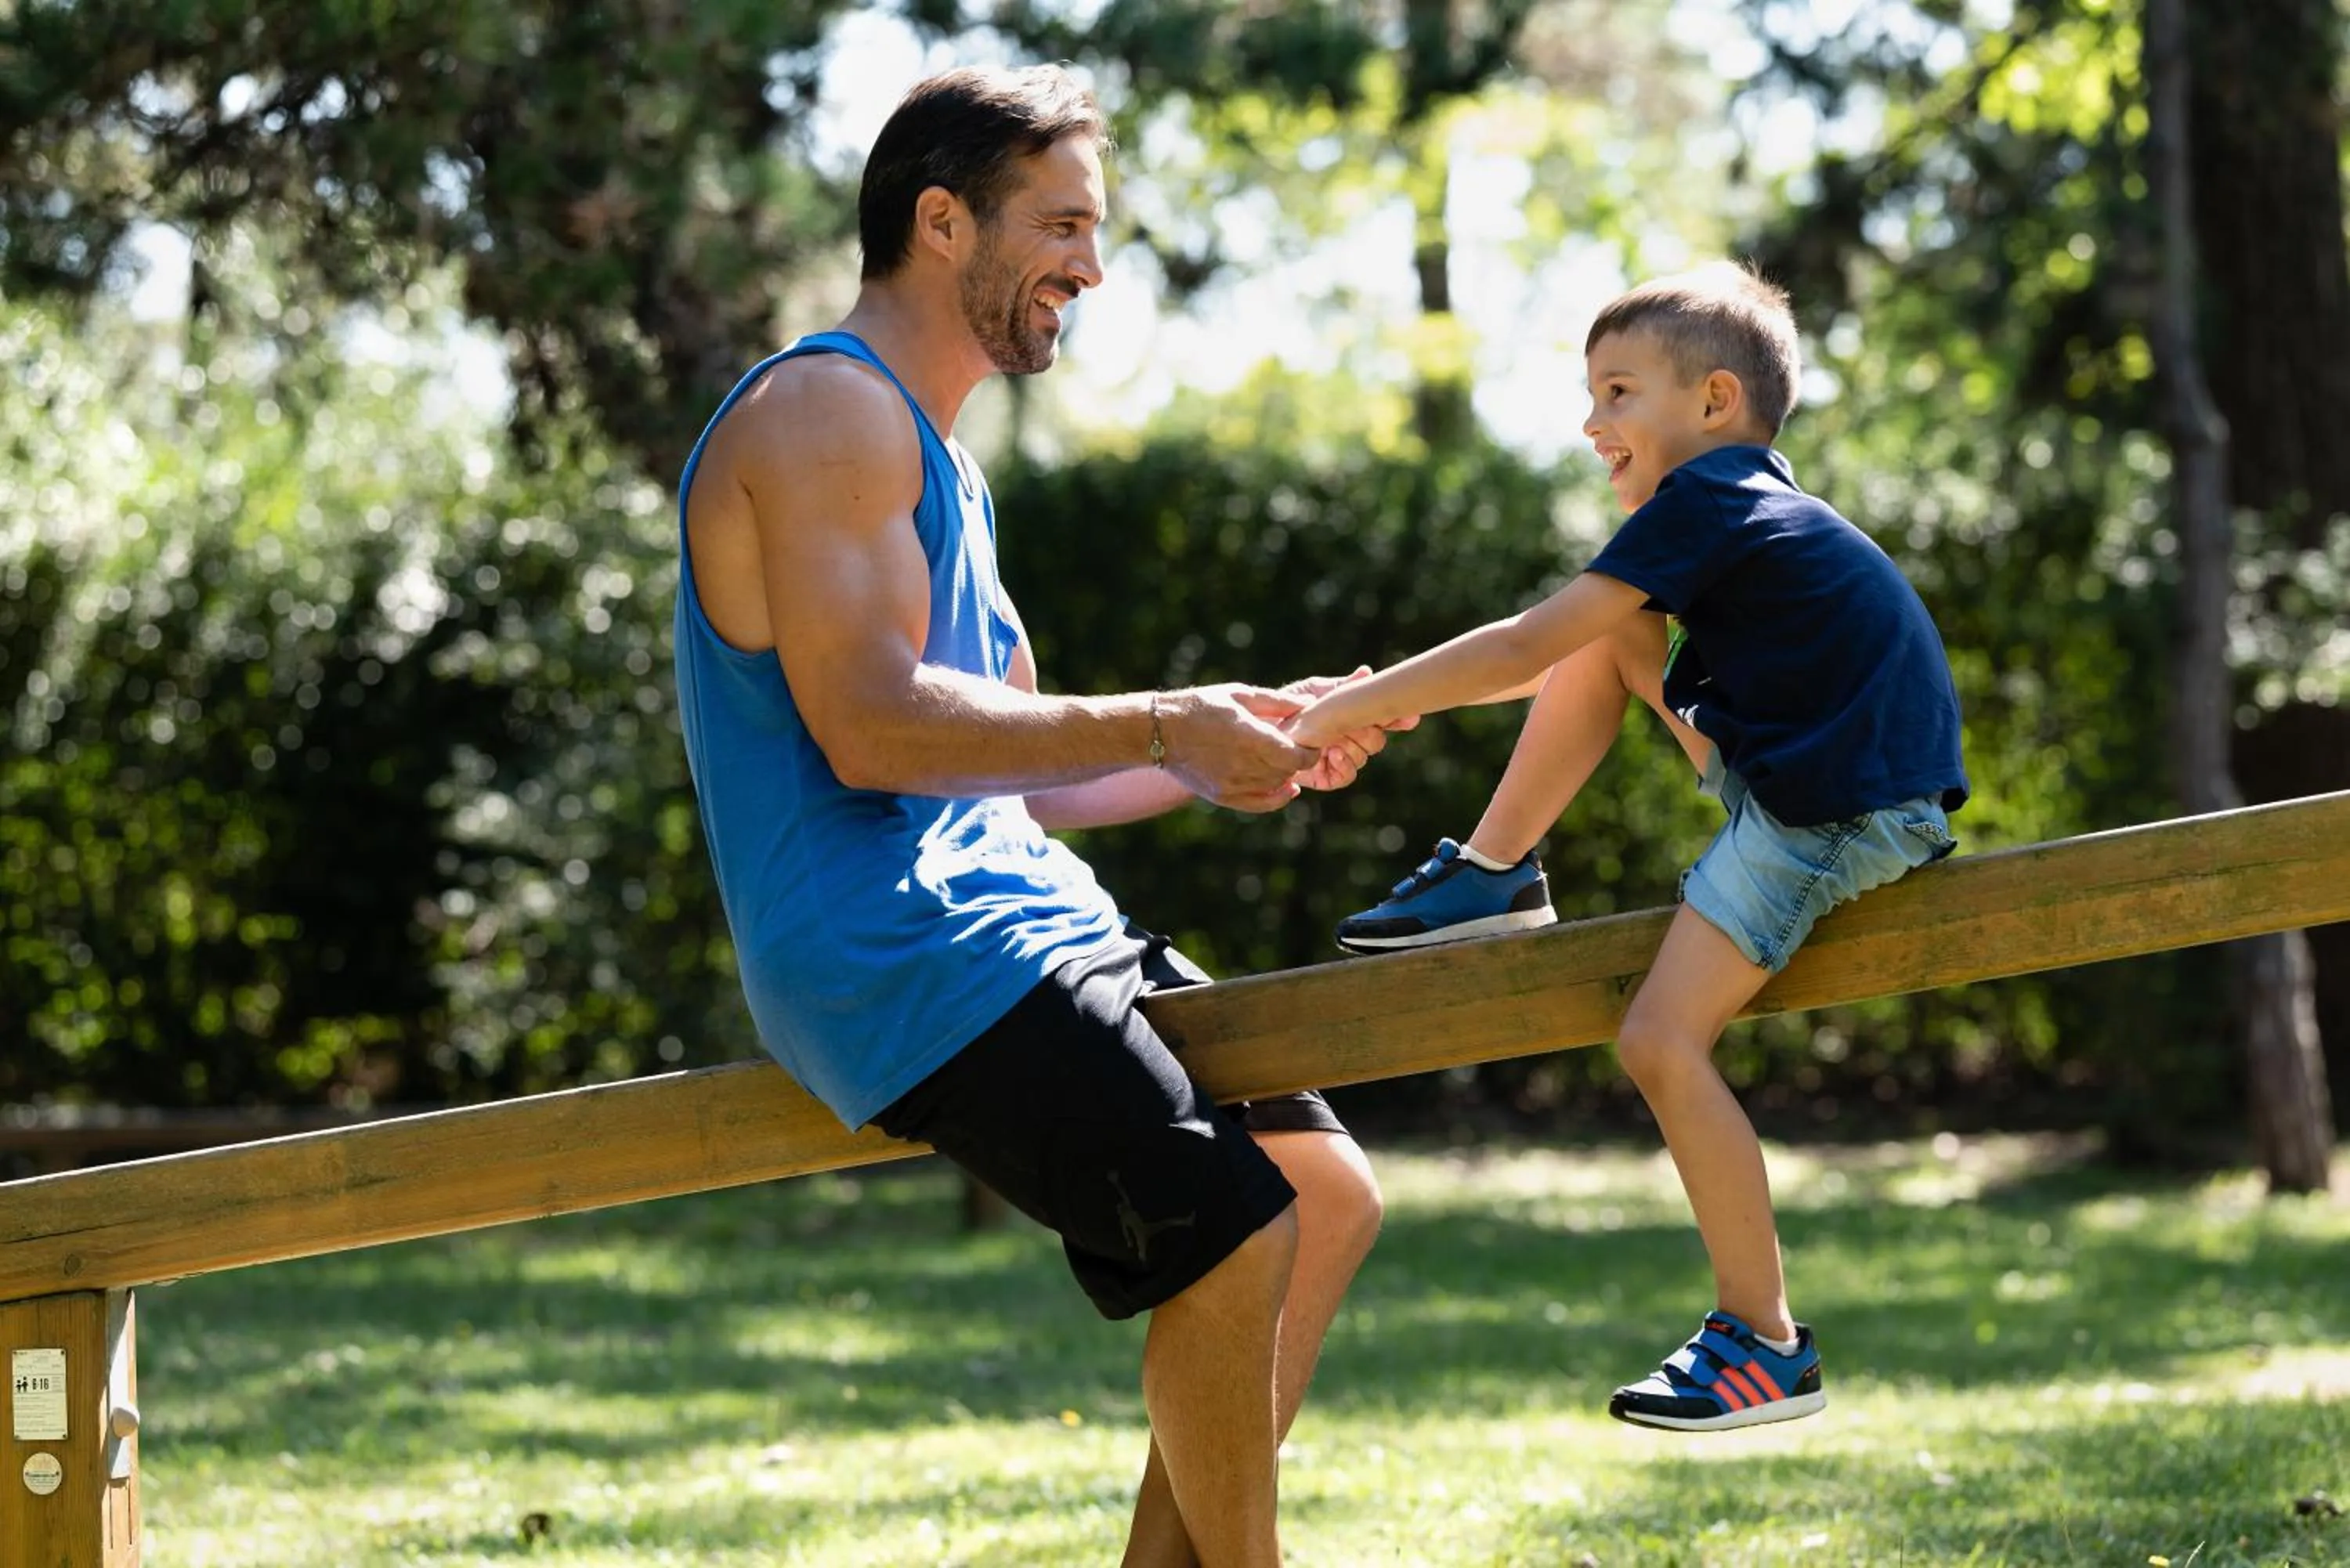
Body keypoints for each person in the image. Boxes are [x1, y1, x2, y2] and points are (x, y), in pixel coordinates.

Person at [672, 64, 1393, 1566]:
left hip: (1019, 912)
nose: (1094, 266)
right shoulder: (822, 412)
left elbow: (1025, 773)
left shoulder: (944, 468)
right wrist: (1159, 720)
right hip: (898, 951)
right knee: (1234, 1221)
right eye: (1062, 224)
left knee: (1319, 1194)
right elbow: (871, 732)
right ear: (944, 221)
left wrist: (1244, 738)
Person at [1288, 261, 1969, 1433]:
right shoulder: (1745, 506)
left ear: (1712, 403)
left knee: (1661, 1038)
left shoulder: (1708, 502)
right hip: (1816, 780)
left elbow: (1516, 645)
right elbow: (1575, 648)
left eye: (1617, 394)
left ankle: (1765, 1340)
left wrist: (1338, 712)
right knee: (1608, 646)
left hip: (1833, 808)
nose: (1592, 423)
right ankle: (1497, 874)